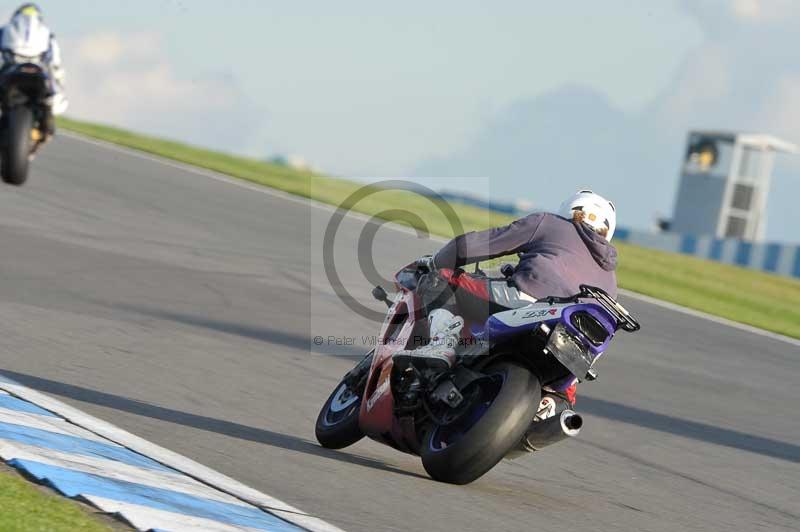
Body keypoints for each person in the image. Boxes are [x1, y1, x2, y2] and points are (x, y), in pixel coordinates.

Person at [393, 190, 618, 417]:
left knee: (439, 279)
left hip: (525, 302)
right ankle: (547, 404)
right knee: (565, 393)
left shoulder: (550, 224)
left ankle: (442, 345)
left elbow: (473, 246)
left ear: (570, 209)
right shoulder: (611, 280)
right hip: (569, 343)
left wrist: (435, 261)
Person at [0, 4, 68, 136]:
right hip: (37, 75)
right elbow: (55, 64)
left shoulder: (5, 30)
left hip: (15, 73)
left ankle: (47, 113)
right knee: (52, 94)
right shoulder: (47, 33)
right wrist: (59, 89)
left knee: (51, 97)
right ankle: (47, 114)